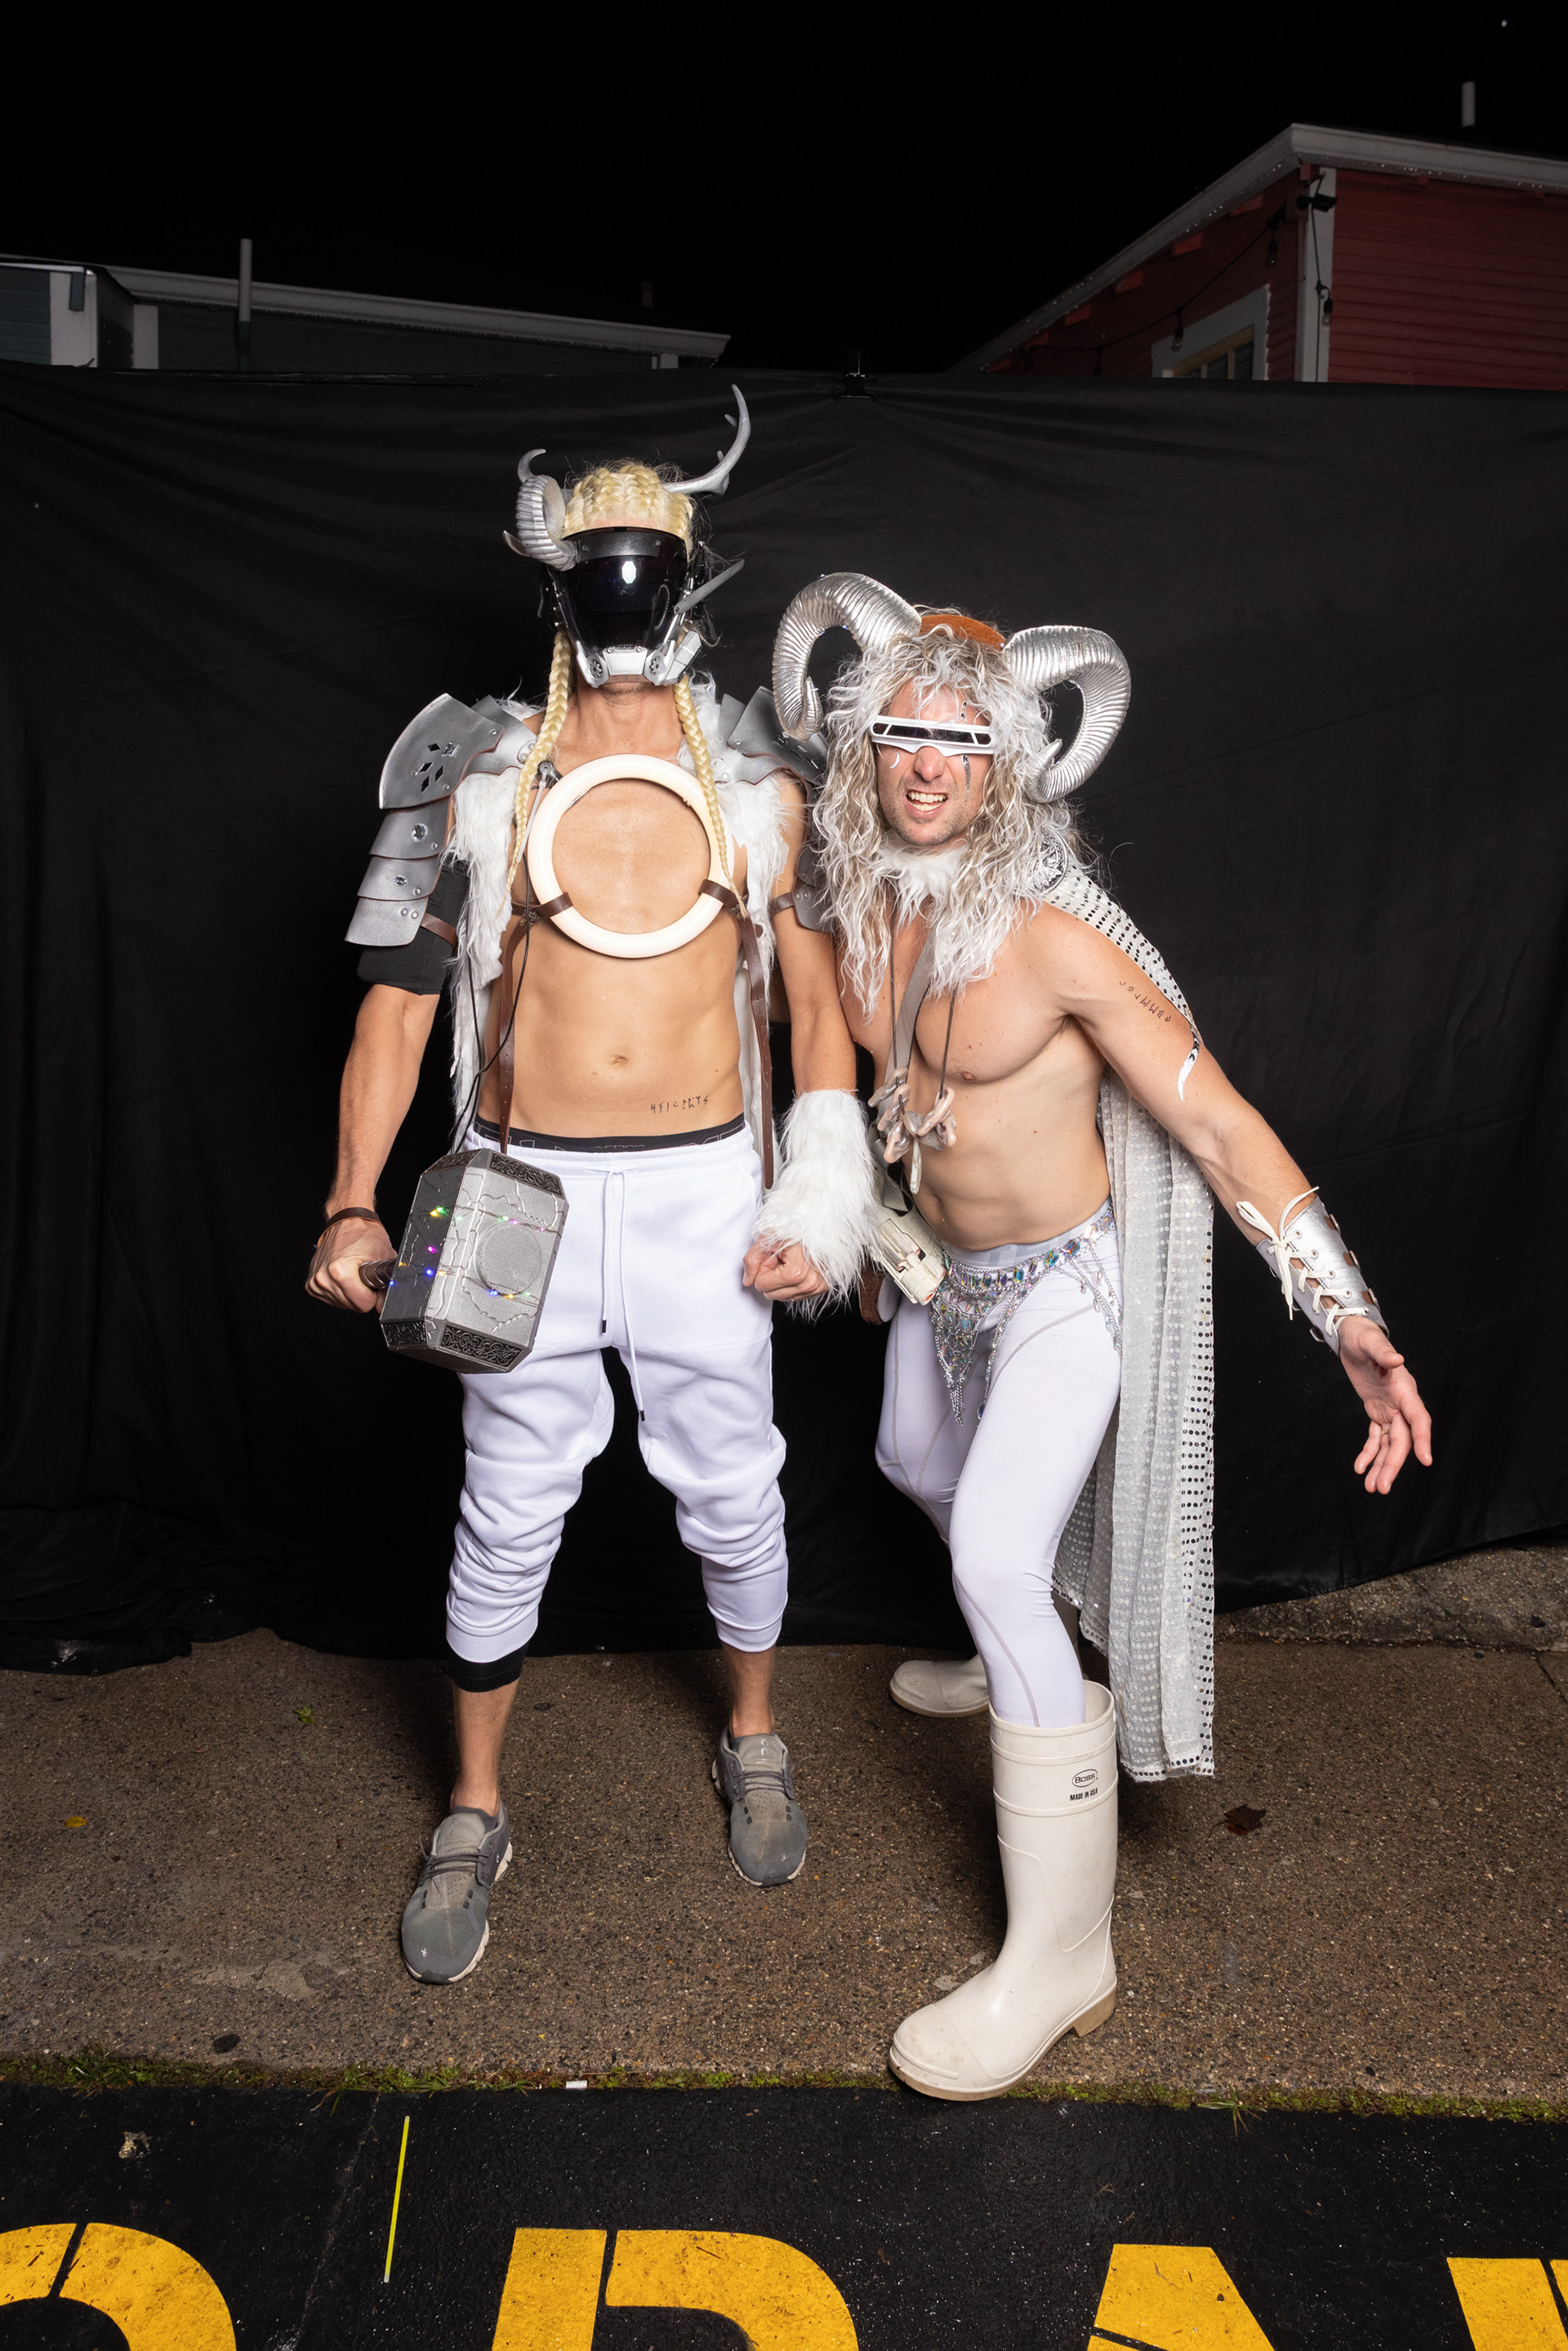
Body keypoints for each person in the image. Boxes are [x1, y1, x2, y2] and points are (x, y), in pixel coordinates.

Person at [767, 572, 1433, 2100]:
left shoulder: (1061, 940)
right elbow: (829, 1076)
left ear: (1008, 763)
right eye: (905, 733)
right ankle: (1025, 1651)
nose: (929, 767)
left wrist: (1346, 1310)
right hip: (939, 1277)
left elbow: (1217, 1120)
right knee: (909, 1465)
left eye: (963, 742)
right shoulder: (850, 898)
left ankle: (1063, 1953)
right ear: (864, 742)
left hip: (1065, 1287)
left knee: (997, 1557)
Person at [306, 405, 875, 1983]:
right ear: (556, 586)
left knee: (736, 1491)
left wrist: (823, 1200)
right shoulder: (471, 775)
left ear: (692, 581)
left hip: (706, 1191)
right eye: (596, 570)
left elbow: (816, 1012)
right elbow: (394, 1009)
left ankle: (753, 1735)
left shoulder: (766, 789)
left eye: (649, 569)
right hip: (516, 1196)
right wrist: (351, 1200)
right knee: (504, 1510)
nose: (625, 597)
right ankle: (475, 1805)